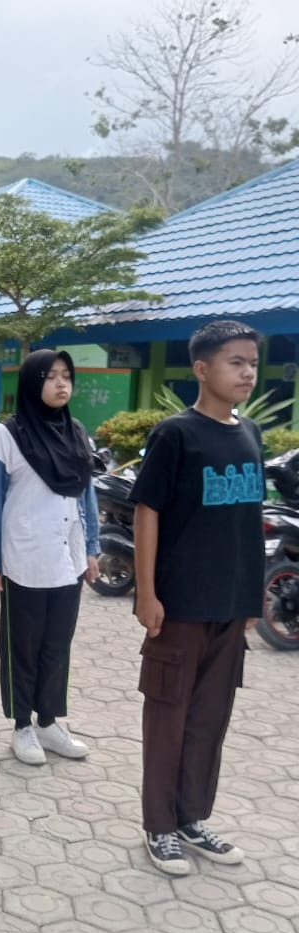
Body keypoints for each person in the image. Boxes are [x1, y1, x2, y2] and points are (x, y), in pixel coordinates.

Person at [132, 320, 263, 876]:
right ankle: (159, 825)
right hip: (180, 605)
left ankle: (191, 817)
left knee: (210, 719)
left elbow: (248, 522)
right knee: (169, 716)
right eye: (236, 362)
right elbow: (148, 512)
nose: (248, 372)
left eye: (252, 362)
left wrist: (251, 598)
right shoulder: (175, 435)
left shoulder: (251, 433)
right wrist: (146, 593)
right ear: (202, 369)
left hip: (229, 607)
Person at [0, 350, 99, 767]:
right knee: (21, 649)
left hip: (68, 557)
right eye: (51, 376)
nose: (62, 384)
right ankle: (22, 726)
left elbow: (87, 493)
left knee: (57, 646)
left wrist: (92, 548)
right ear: (33, 382)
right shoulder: (6, 435)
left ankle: (48, 722)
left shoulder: (77, 431)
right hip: (24, 560)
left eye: (67, 376)